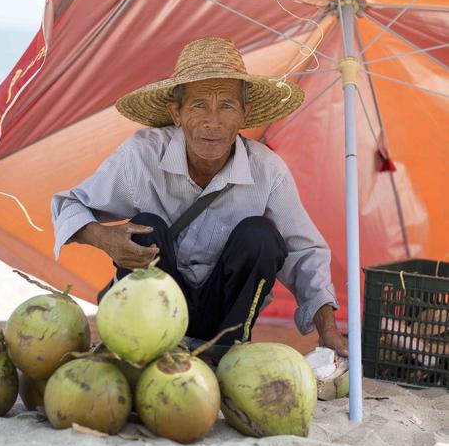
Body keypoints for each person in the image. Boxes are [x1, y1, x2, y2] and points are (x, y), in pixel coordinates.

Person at [51, 37, 348, 356]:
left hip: (226, 316)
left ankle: (227, 352)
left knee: (261, 237)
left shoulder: (267, 171)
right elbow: (68, 205)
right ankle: (148, 347)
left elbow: (305, 252)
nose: (213, 121)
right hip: (153, 311)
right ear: (175, 112)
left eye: (227, 106)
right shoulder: (143, 156)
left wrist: (328, 330)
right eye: (198, 105)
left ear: (245, 114)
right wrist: (104, 238)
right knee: (146, 227)